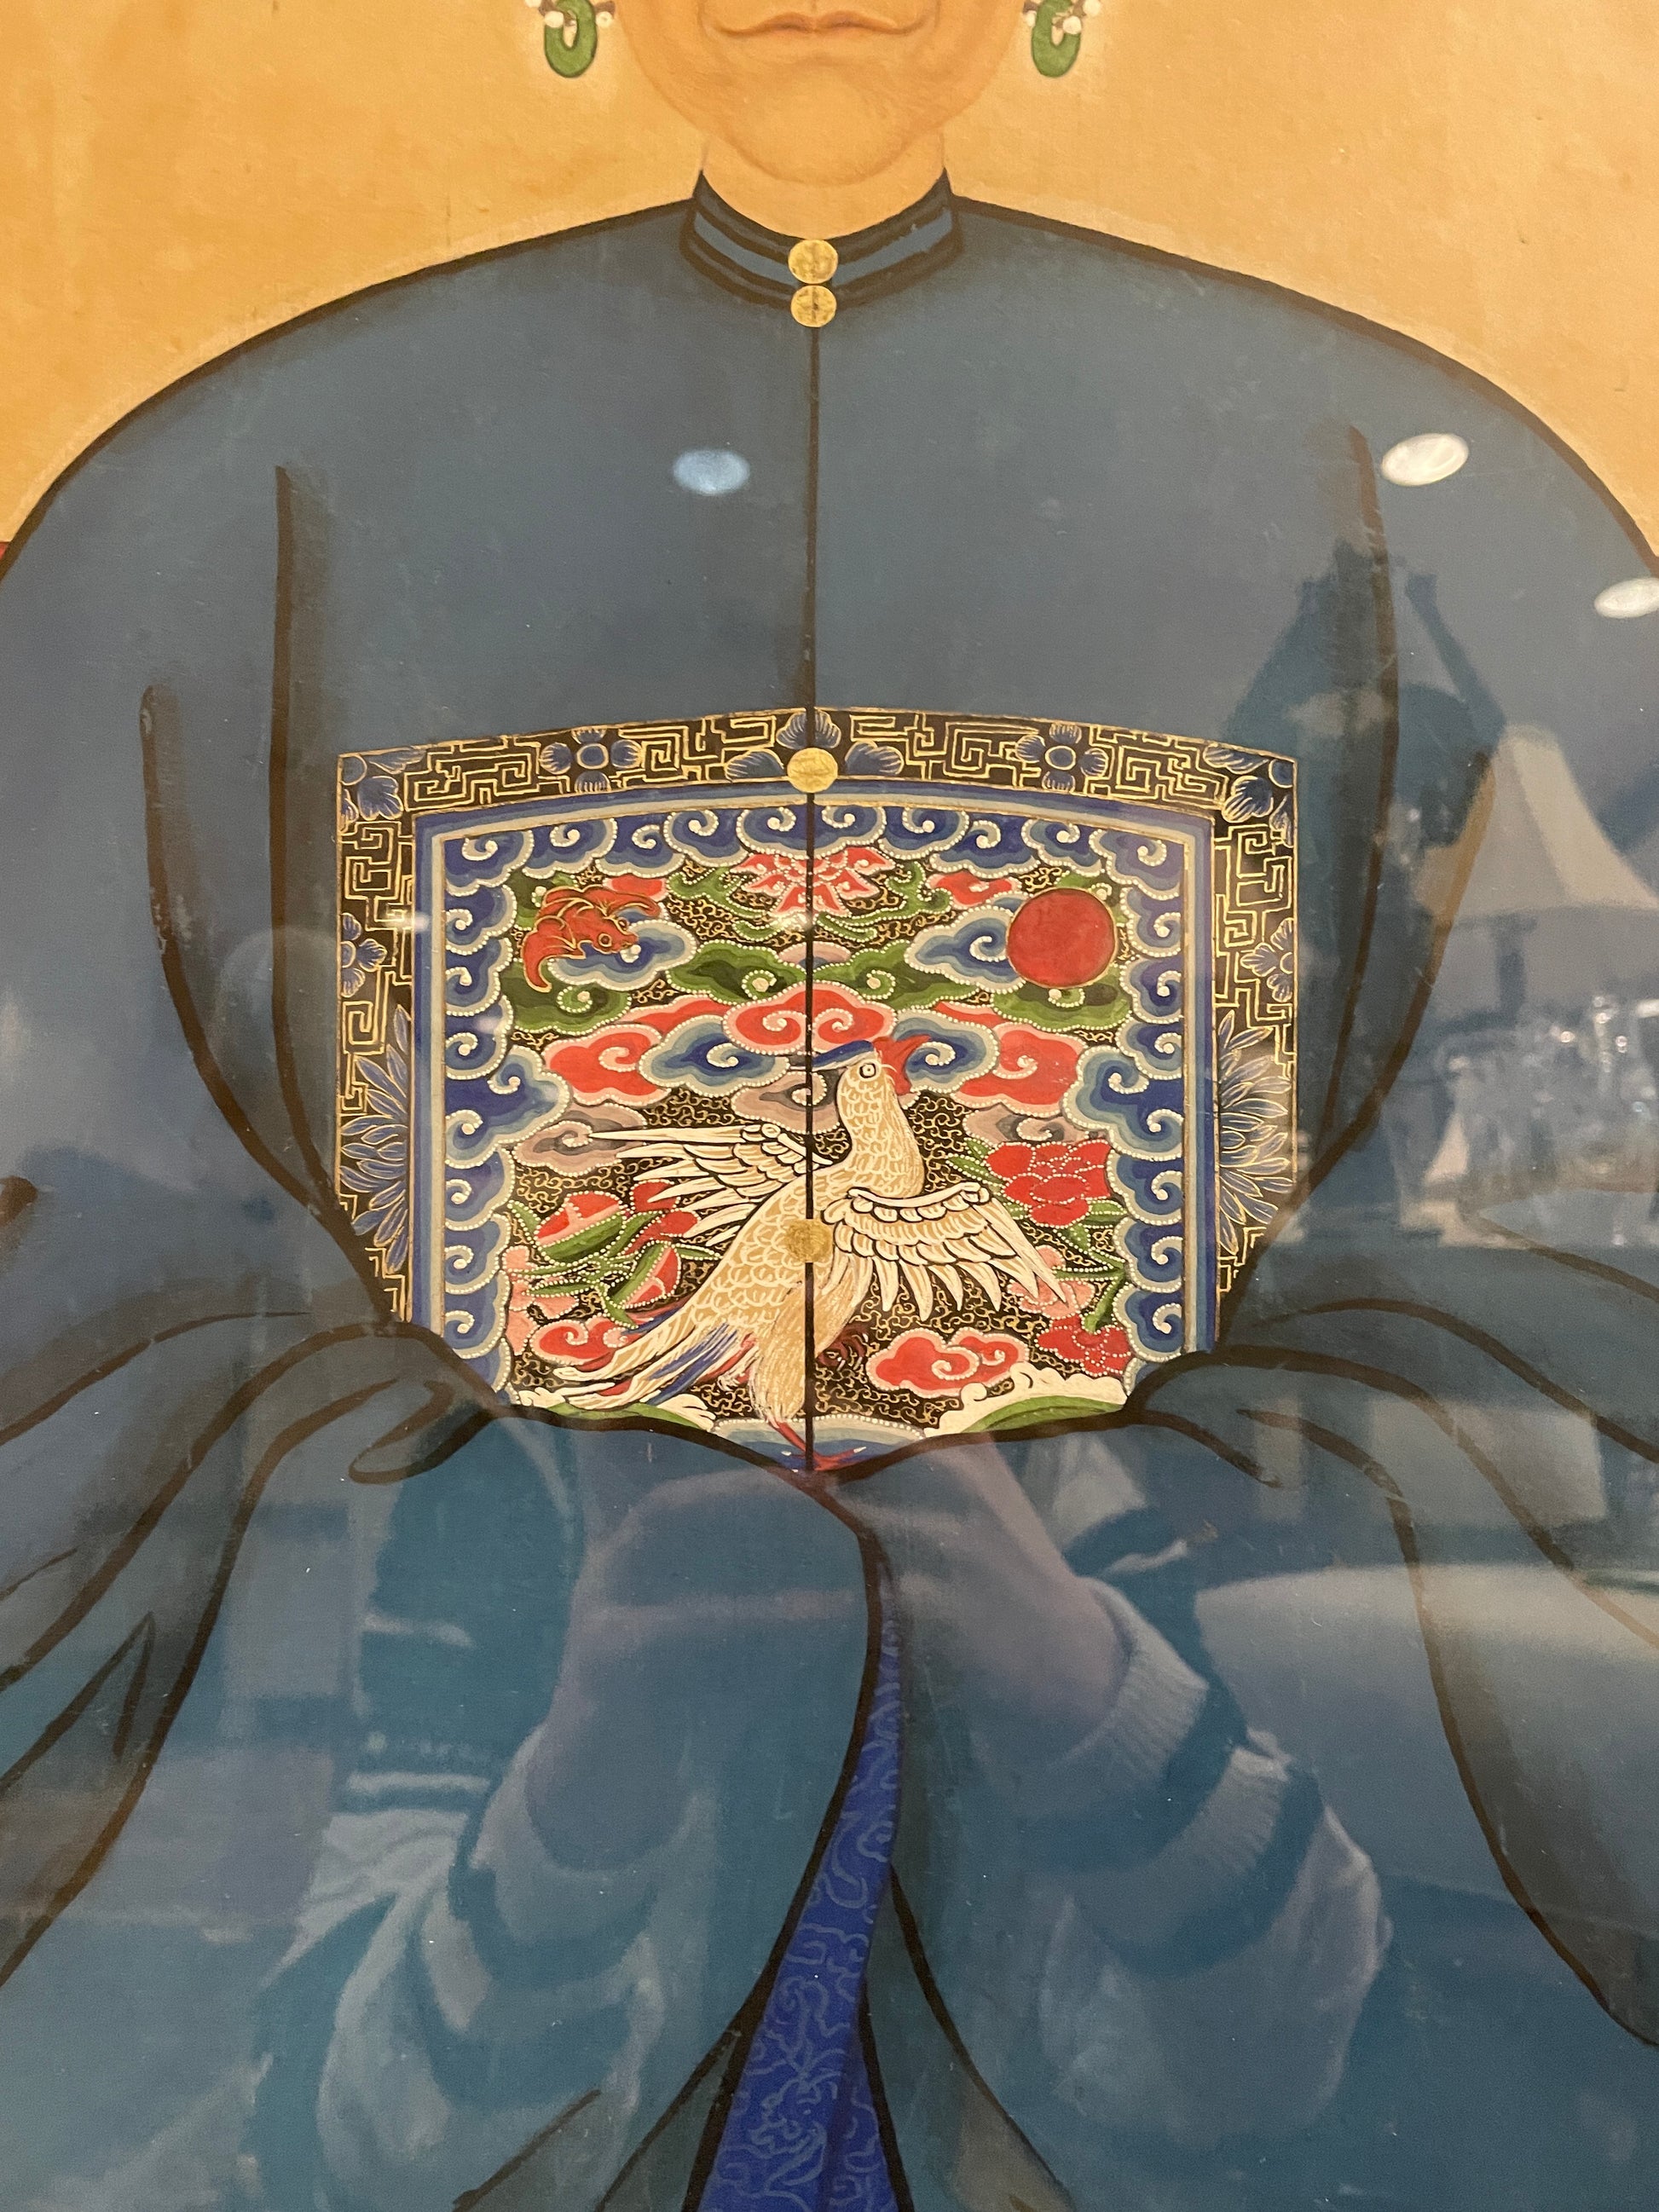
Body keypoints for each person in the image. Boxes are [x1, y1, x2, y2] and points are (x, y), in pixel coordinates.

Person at [1, 0, 1657, 2201]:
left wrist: (1066, 1662)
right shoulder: (249, 481)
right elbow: (321, 2128)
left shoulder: (1375, 449)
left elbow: (1296, 2072)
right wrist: (582, 1768)